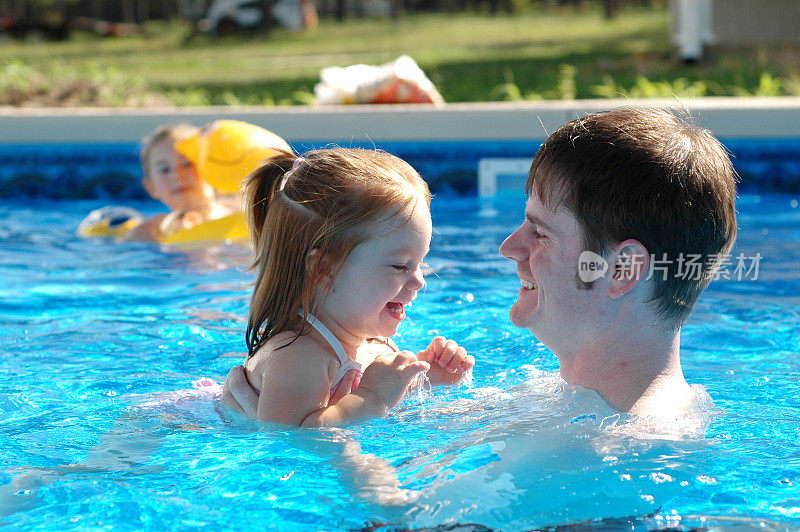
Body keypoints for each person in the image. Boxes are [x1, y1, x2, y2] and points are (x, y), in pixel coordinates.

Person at [498, 107, 737, 417]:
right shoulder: (561, 400)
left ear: (622, 269)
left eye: (540, 233)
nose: (510, 247)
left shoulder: (630, 446)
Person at [220, 148, 474, 426]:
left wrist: (428, 379)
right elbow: (290, 443)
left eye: (421, 263)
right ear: (324, 269)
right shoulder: (298, 355)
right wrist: (372, 397)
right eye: (401, 266)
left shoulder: (375, 344)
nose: (419, 281)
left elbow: (384, 407)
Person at [124, 123, 234, 242]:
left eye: (187, 164)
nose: (177, 175)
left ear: (212, 170)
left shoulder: (242, 211)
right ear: (151, 188)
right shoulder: (151, 232)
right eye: (165, 170)